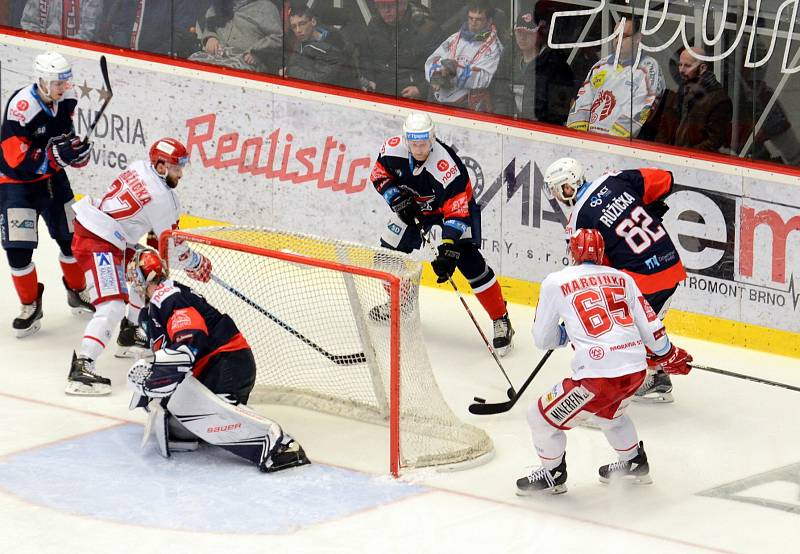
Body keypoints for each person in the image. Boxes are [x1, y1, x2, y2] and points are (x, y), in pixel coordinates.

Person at [516, 228, 692, 495]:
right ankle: (633, 462)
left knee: (539, 418)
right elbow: (651, 326)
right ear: (602, 253)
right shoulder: (622, 278)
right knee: (610, 413)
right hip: (635, 370)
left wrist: (565, 335)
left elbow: (543, 339)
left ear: (571, 252)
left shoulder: (555, 281)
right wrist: (669, 354)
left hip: (597, 377)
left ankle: (553, 473)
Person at [126, 248, 310, 472]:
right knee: (178, 413)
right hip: (222, 366)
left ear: (141, 279)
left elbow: (190, 337)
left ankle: (279, 446)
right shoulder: (157, 304)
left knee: (200, 410)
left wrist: (164, 374)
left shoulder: (167, 296)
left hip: (225, 364)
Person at [66, 138, 213, 396]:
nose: (181, 173)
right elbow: (173, 251)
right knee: (112, 304)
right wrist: (195, 262)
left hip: (106, 233)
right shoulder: (164, 200)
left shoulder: (138, 167)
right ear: (159, 166)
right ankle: (82, 366)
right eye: (176, 167)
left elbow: (154, 239)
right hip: (100, 240)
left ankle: (130, 333)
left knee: (145, 268)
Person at [544, 157, 687, 402]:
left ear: (570, 185)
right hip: (670, 266)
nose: (558, 195)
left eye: (560, 188)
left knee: (601, 329)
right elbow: (666, 180)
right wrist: (648, 205)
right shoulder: (616, 179)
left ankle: (599, 391)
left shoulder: (579, 220)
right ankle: (657, 379)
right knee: (645, 329)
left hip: (641, 281)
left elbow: (592, 273)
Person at [370, 111, 514, 354]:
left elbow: (457, 213)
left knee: (470, 263)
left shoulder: (448, 167)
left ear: (433, 138)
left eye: (424, 143)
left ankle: (501, 319)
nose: (418, 149)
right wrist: (396, 199)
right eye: (413, 143)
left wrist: (448, 248)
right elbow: (378, 175)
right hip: (414, 209)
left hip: (450, 213)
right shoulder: (392, 150)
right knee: (386, 257)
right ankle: (402, 301)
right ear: (406, 139)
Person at [0, 51, 94, 338]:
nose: (64, 87)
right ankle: (30, 305)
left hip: (53, 183)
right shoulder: (22, 107)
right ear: (41, 81)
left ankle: (77, 292)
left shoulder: (66, 100)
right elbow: (15, 157)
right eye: (58, 83)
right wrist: (55, 157)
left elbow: (66, 139)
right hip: (16, 185)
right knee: (18, 250)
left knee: (72, 239)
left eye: (66, 82)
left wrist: (77, 153)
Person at [566, 18, 665, 138]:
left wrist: (612, 141)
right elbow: (582, 102)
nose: (618, 40)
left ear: (638, 38)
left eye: (624, 36)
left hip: (621, 147)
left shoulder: (649, 68)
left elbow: (642, 108)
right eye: (615, 35)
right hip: (590, 142)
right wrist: (578, 137)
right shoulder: (600, 66)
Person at [492, 8, 574, 123]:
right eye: (519, 32)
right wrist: (503, 120)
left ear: (541, 34)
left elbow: (558, 113)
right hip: (510, 128)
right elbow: (499, 95)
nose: (523, 37)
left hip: (540, 132)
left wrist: (532, 127)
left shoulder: (556, 67)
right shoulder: (508, 58)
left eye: (529, 33)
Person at [424, 0, 503, 112]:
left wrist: (454, 71)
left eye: (478, 19)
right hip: (438, 102)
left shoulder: (494, 48)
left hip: (467, 108)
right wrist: (438, 72)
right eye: (471, 18)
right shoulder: (455, 38)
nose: (473, 22)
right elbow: (432, 60)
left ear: (489, 21)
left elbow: (484, 78)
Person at [655, 46, 733, 152]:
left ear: (703, 68)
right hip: (672, 156)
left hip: (695, 160)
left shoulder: (719, 100)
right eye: (680, 65)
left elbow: (714, 141)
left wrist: (687, 156)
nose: (681, 70)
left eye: (687, 66)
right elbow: (664, 128)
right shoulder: (680, 92)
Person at [361, 0, 440, 100]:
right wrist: (369, 78)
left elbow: (440, 67)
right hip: (380, 91)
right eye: (381, 6)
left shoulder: (427, 27)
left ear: (404, 4)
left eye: (390, 6)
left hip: (412, 94)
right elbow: (365, 55)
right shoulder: (375, 24)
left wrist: (421, 89)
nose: (386, 10)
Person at [190, 0, 283, 74]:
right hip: (213, 56)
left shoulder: (266, 7)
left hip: (244, 60)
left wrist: (257, 51)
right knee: (191, 63)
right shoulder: (220, 3)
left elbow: (278, 37)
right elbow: (209, 26)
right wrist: (210, 37)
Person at [284, 3, 358, 89]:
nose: (298, 30)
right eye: (294, 27)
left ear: (313, 22)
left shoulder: (335, 45)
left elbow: (320, 79)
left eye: (302, 24)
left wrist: (290, 71)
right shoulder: (301, 42)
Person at [105, 0, 204, 59]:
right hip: (124, 60)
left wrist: (150, 57)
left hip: (159, 65)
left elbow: (182, 34)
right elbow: (117, 23)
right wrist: (124, 52)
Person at [19, 0, 104, 41]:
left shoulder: (92, 1)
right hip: (41, 51)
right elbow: (28, 22)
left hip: (75, 56)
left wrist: (63, 49)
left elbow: (88, 33)